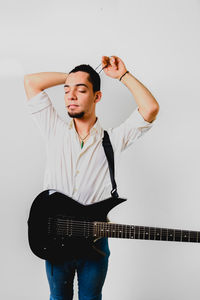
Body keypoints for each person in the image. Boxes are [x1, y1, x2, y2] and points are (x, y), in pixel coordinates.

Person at [24, 55, 159, 300]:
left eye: (81, 90)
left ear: (97, 96)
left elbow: (149, 109)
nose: (71, 96)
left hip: (95, 243)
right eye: (67, 90)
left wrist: (122, 76)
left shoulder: (112, 140)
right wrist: (75, 78)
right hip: (55, 238)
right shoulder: (53, 130)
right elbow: (31, 82)